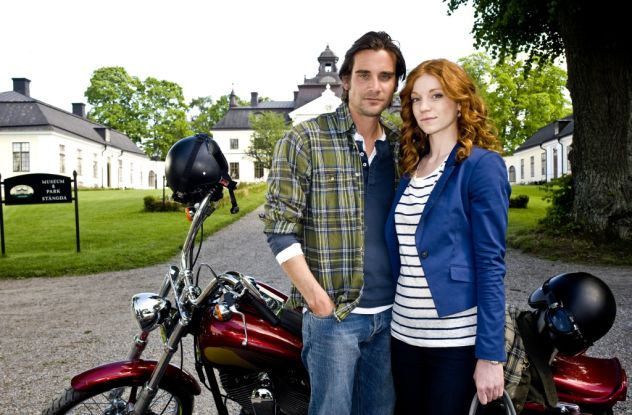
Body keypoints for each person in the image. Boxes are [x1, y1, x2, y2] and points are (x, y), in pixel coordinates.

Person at [262, 31, 406, 415]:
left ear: (395, 84)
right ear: (345, 80)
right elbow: (279, 227)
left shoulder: (402, 147)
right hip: (335, 317)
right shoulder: (304, 139)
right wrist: (317, 300)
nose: (375, 86)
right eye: (364, 75)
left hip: (393, 315)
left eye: (385, 76)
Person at [384, 58, 511, 414]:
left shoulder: (481, 166)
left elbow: (490, 264)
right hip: (403, 336)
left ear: (459, 102)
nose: (424, 107)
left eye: (436, 96)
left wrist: (490, 355)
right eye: (416, 99)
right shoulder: (411, 168)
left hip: (455, 343)